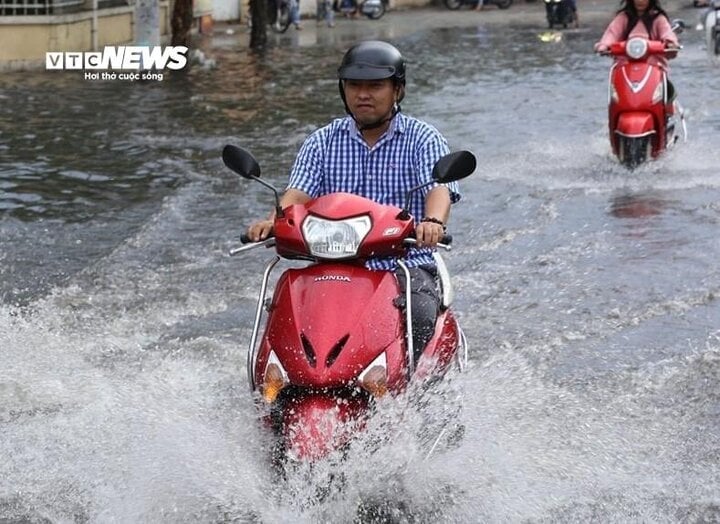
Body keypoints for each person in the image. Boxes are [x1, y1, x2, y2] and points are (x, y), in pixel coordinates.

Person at [246, 40, 461, 361]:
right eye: (354, 86)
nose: (363, 94)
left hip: (403, 264)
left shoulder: (422, 138)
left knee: (420, 316)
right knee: (284, 311)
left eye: (375, 86)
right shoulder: (321, 142)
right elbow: (297, 194)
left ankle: (414, 399)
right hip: (332, 264)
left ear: (397, 90)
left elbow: (438, 189)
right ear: (342, 90)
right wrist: (272, 221)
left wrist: (433, 222)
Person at [594, 0, 680, 102]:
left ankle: (665, 111)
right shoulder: (623, 18)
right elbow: (612, 34)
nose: (640, 1)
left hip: (654, 68)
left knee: (664, 93)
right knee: (616, 98)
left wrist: (671, 43)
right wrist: (604, 46)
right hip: (625, 68)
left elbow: (667, 34)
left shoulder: (658, 18)